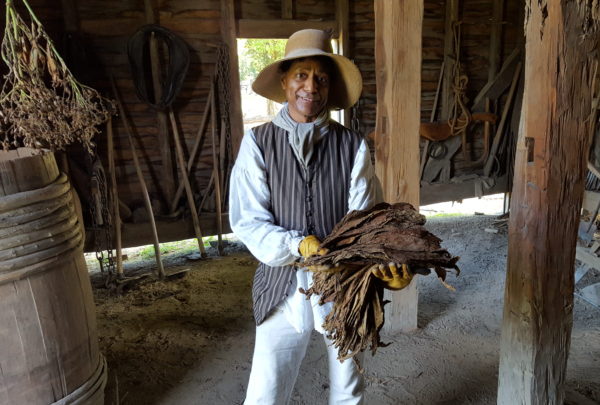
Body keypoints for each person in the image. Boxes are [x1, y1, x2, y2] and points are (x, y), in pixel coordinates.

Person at [229, 29, 413, 405]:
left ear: (329, 89)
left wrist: (384, 267)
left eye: (322, 78)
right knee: (265, 392)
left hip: (343, 284)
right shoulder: (258, 143)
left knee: (348, 389)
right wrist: (295, 243)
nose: (310, 85)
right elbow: (247, 220)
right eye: (301, 74)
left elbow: (367, 221)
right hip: (281, 285)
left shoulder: (352, 145)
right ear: (284, 82)